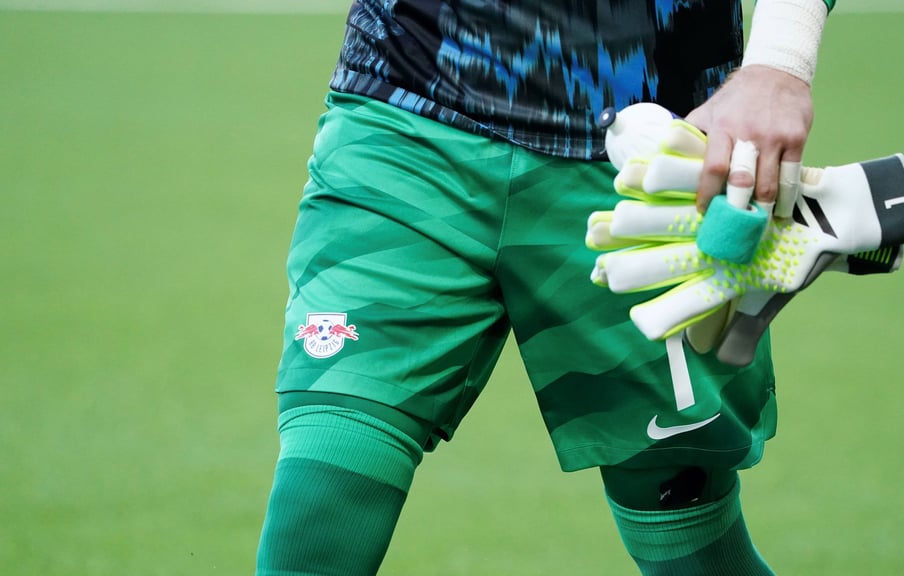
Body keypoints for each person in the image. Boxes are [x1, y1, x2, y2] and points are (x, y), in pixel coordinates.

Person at [255, 0, 837, 574]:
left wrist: (780, 61)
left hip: (651, 151)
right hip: (407, 109)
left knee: (682, 520)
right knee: (329, 470)